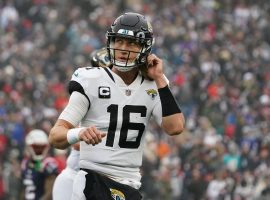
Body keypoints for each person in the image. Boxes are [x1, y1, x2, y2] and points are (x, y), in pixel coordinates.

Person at [49, 12, 185, 200]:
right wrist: (79, 133)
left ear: (145, 48)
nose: (123, 48)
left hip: (130, 184)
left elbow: (175, 127)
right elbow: (56, 136)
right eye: (118, 41)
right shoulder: (90, 79)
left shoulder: (154, 83)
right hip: (93, 179)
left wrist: (160, 78)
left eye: (130, 43)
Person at [52, 47, 111, 200]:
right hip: (75, 178)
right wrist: (82, 133)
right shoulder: (87, 96)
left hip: (104, 182)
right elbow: (71, 139)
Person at [21, 129, 59, 200]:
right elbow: (24, 189)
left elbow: (51, 192)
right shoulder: (25, 163)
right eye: (36, 147)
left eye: (41, 147)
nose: (39, 150)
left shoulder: (48, 163)